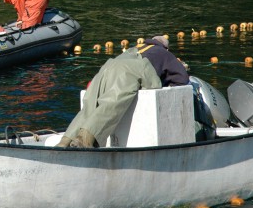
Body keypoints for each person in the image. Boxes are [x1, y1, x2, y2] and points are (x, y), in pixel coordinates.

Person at [56, 35, 189, 148]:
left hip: (107, 67)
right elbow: (182, 78)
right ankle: (84, 140)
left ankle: (64, 142)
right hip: (131, 69)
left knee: (90, 106)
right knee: (111, 104)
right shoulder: (164, 53)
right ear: (165, 47)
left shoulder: (136, 47)